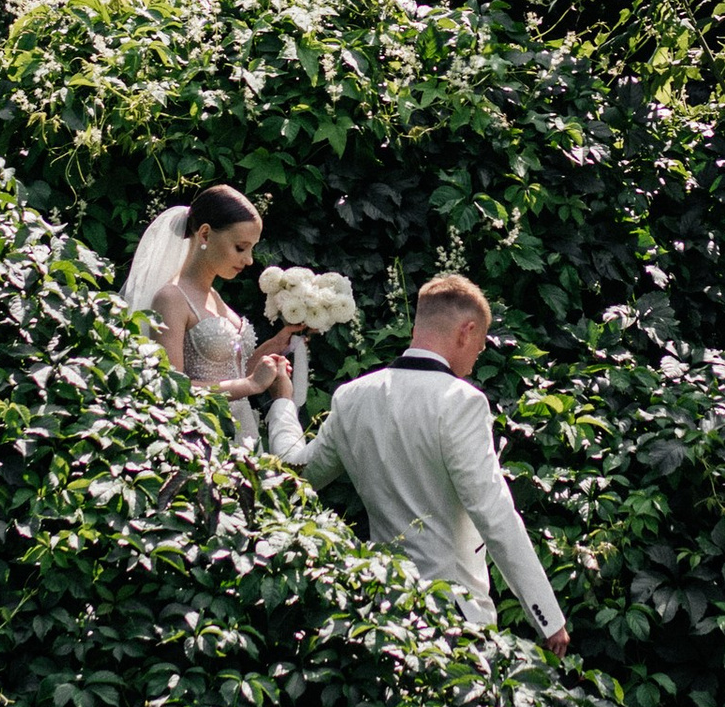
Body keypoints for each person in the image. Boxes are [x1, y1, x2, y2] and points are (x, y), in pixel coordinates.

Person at [273, 273, 570, 655]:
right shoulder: (462, 402)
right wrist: (548, 615)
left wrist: (282, 402)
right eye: (479, 348)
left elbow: (296, 472)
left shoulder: (352, 397)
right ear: (467, 331)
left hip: (381, 612)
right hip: (454, 617)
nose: (475, 360)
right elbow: (494, 512)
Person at [123, 185, 301, 454]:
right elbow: (171, 389)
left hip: (244, 434)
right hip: (201, 441)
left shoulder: (214, 296)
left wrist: (273, 347)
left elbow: (230, 371)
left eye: (251, 248)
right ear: (205, 233)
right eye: (241, 247)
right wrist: (251, 385)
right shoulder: (172, 298)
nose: (249, 260)